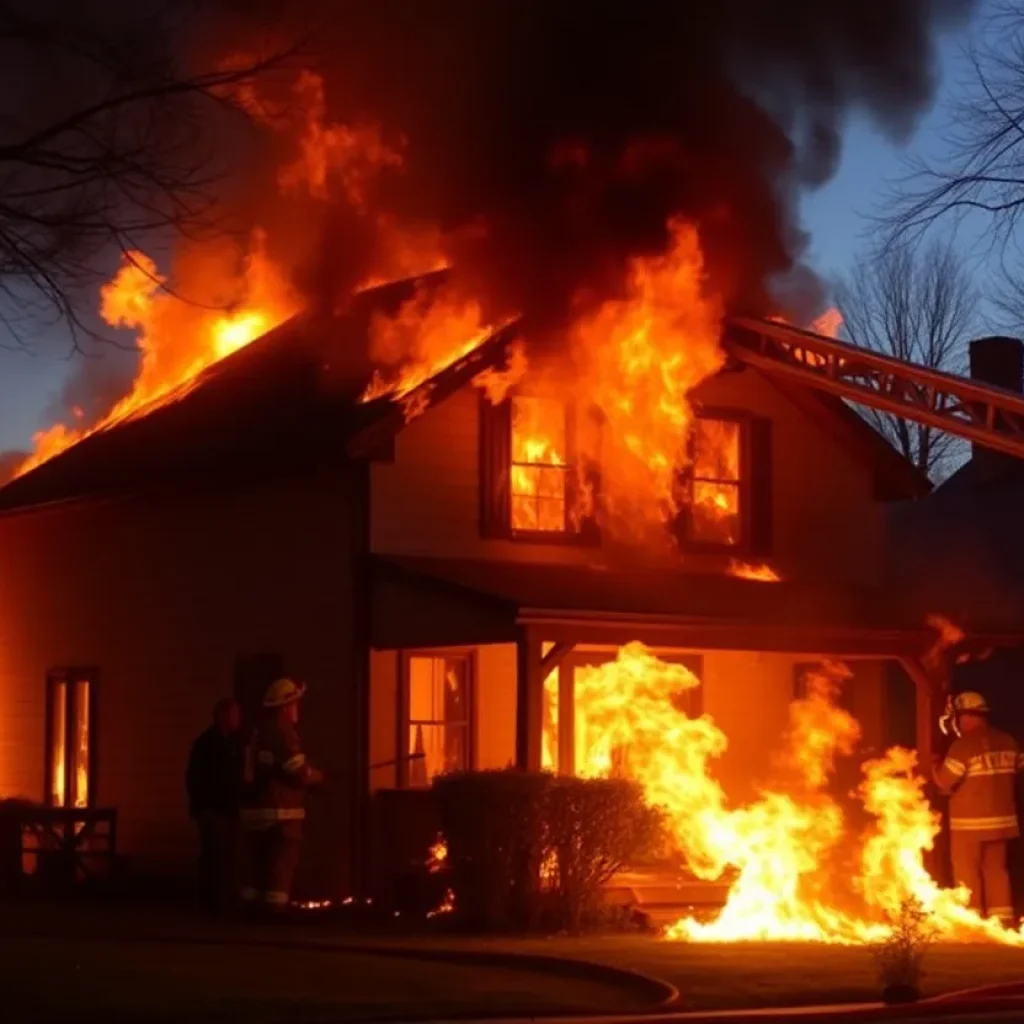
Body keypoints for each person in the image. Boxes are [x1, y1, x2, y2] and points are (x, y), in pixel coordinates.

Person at [933, 690, 1024, 926]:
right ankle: (1002, 921)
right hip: (1003, 822)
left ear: (966, 717)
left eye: (959, 718)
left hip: (968, 824)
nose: (958, 724)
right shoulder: (1009, 741)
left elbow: (945, 782)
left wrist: (934, 766)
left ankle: (971, 922)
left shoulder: (963, 747)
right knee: (997, 871)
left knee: (967, 873)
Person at [240, 677, 324, 915]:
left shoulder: (255, 731)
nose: (297, 709)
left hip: (253, 811)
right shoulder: (282, 732)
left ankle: (249, 913)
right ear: (287, 707)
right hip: (280, 813)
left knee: (255, 868)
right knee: (280, 866)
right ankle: (274, 915)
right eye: (295, 704)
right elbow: (298, 773)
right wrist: (319, 776)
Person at [185, 697, 242, 915]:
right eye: (234, 714)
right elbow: (194, 778)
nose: (238, 719)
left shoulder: (236, 743)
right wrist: (203, 808)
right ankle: (214, 903)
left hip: (230, 810)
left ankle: (225, 900)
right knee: (214, 857)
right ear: (222, 716)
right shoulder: (205, 744)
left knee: (229, 856)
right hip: (213, 810)